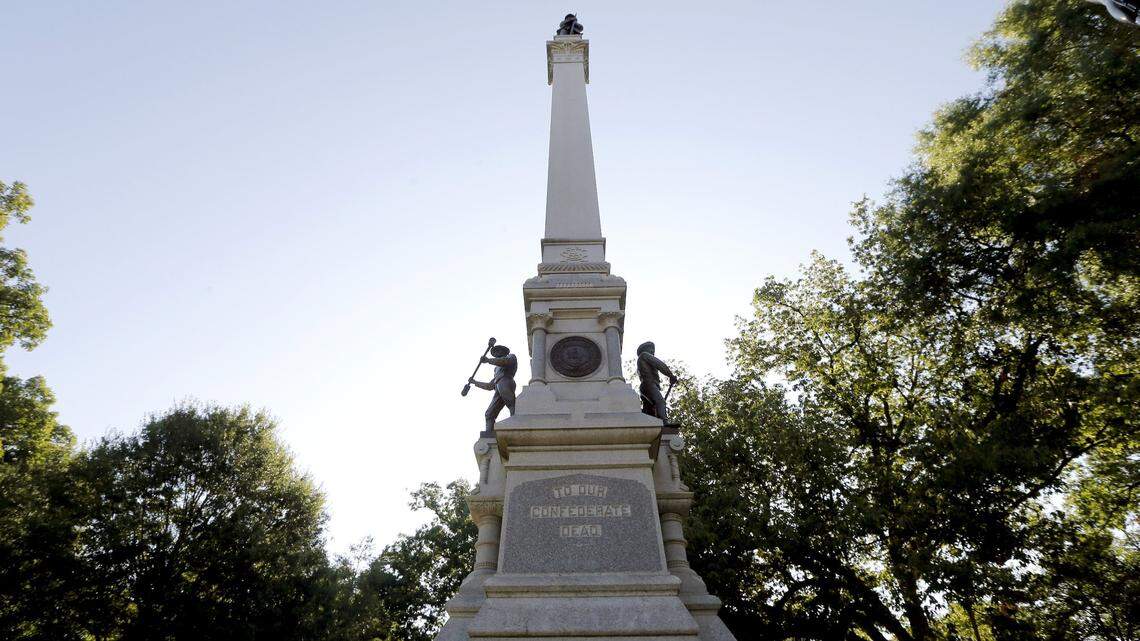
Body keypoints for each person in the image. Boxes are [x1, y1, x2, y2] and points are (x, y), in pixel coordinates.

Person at [468, 345, 517, 431]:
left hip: (506, 381)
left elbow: (505, 362)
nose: (496, 353)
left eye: (497, 351)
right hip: (498, 386)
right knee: (489, 414)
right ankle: (489, 434)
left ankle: (517, 422)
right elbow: (490, 386)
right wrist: (475, 382)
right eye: (494, 352)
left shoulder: (510, 356)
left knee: (511, 403)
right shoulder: (496, 369)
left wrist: (488, 360)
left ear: (503, 351)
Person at [636, 341, 678, 423]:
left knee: (650, 410)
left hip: (644, 387)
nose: (653, 352)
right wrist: (670, 375)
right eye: (651, 349)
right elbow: (659, 364)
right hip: (649, 384)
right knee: (660, 401)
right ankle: (664, 422)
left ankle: (649, 424)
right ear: (645, 349)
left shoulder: (641, 360)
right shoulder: (644, 355)